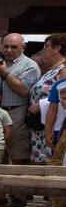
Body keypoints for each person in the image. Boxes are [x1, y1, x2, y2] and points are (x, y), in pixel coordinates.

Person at [0, 32, 39, 170]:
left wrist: (4, 73)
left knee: (19, 158)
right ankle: (2, 190)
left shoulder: (30, 65)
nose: (9, 50)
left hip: (17, 113)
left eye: (14, 47)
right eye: (6, 46)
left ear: (23, 47)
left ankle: (22, 190)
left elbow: (24, 90)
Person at [26, 33, 66, 165]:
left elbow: (63, 96)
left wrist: (40, 105)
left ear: (57, 48)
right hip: (42, 125)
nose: (44, 49)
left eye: (47, 46)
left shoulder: (63, 69)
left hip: (53, 123)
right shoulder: (51, 69)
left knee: (51, 162)